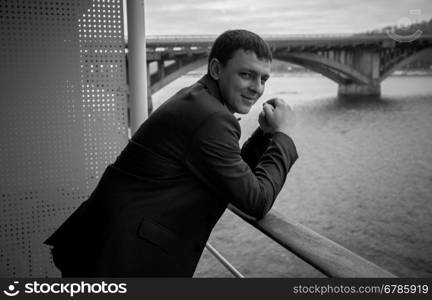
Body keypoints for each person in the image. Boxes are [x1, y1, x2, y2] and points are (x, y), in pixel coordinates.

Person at [44, 29, 298, 277]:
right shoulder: (212, 118)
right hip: (122, 258)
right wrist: (283, 136)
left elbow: (230, 174)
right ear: (217, 69)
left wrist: (264, 135)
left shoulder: (197, 100)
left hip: (104, 244)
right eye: (246, 74)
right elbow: (257, 201)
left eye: (264, 79)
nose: (257, 88)